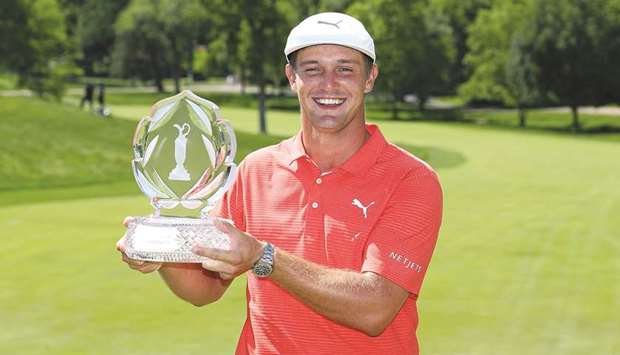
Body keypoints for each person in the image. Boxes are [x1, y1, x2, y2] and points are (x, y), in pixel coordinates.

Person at [117, 12, 442, 355]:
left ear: (370, 77)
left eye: (345, 69)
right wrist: (161, 253)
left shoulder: (411, 179)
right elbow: (205, 288)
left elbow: (375, 307)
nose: (328, 84)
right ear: (292, 76)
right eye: (312, 69)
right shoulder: (256, 170)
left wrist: (263, 256)